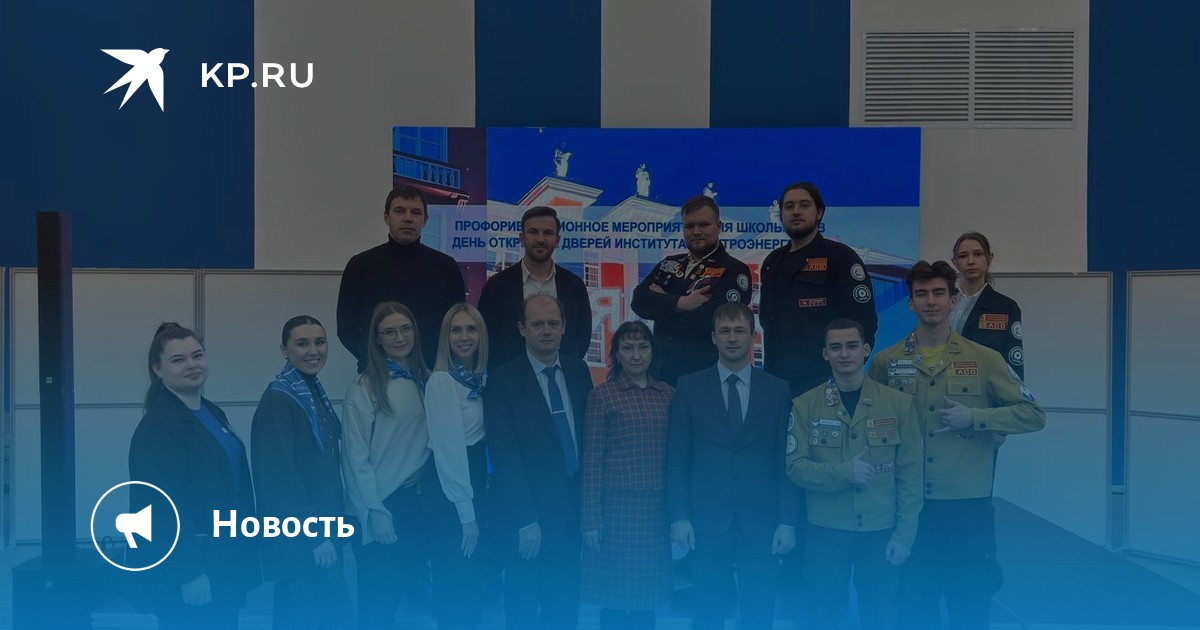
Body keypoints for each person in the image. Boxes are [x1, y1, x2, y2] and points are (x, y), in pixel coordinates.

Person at [869, 260, 1046, 630]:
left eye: (939, 293)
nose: (930, 301)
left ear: (953, 300)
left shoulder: (984, 359)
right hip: (911, 506)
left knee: (969, 606)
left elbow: (1033, 414)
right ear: (910, 303)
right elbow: (875, 428)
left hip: (967, 507)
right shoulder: (887, 362)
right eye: (921, 294)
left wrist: (978, 418)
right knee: (914, 607)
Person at [666, 303, 798, 630]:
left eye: (740, 331)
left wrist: (787, 521)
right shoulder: (688, 387)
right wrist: (680, 516)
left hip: (761, 521)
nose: (732, 338)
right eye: (724, 331)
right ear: (713, 337)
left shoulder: (778, 389)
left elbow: (785, 461)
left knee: (759, 612)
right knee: (707, 612)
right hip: (706, 521)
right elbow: (678, 457)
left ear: (753, 336)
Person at [786, 319, 923, 630]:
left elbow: (911, 475)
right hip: (826, 533)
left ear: (866, 349)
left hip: (879, 532)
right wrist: (843, 472)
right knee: (823, 617)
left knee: (880, 617)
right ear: (825, 354)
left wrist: (905, 535)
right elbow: (794, 467)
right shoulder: (805, 405)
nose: (844, 354)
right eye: (835, 347)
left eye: (851, 346)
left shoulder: (898, 405)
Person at [127, 323, 259, 630]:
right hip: (193, 572)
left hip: (223, 561)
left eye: (197, 355)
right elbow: (160, 506)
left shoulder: (211, 412)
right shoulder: (159, 426)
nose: (191, 364)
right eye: (178, 360)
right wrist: (188, 573)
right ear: (157, 369)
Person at [484, 294, 594, 630]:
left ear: (564, 327)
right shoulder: (502, 380)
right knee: (522, 611)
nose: (546, 330)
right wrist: (526, 519)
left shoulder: (579, 371)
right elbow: (504, 456)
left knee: (563, 611)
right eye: (537, 324)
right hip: (527, 523)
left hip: (572, 517)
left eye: (552, 323)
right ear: (522, 328)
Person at [250, 316, 354, 630]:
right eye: (302, 343)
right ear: (284, 349)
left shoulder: (311, 394)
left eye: (319, 342)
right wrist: (314, 536)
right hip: (305, 545)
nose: (313, 350)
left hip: (322, 539)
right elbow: (278, 478)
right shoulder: (280, 399)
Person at [341, 302, 433, 630]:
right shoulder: (364, 386)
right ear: (377, 339)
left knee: (395, 597)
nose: (399, 337)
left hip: (411, 504)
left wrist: (425, 464)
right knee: (376, 608)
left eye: (405, 329)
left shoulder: (427, 381)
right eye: (389, 332)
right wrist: (374, 512)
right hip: (376, 506)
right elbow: (354, 457)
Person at [580, 321, 674, 630]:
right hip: (616, 512)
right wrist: (590, 519)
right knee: (614, 602)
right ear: (617, 355)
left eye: (643, 347)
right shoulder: (602, 396)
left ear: (652, 352)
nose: (636, 355)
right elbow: (592, 461)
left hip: (656, 512)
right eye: (628, 348)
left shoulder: (668, 395)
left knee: (647, 601)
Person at [759, 181, 879, 397]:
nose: (796, 211)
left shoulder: (841, 257)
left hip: (824, 380)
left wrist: (847, 373)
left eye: (804, 205)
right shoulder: (772, 262)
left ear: (819, 212)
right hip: (776, 379)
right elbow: (767, 321)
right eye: (789, 206)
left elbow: (864, 321)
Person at [337, 185, 466, 371]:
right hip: (376, 373)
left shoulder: (446, 267)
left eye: (415, 212)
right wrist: (374, 359)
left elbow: (457, 323)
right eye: (399, 211)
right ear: (386, 217)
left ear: (425, 220)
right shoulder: (360, 265)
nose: (408, 218)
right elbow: (346, 328)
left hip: (431, 373)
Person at [631, 195, 752, 386]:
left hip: (703, 379)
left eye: (703, 225)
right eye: (689, 226)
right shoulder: (669, 263)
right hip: (658, 376)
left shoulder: (734, 270)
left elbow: (709, 322)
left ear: (719, 226)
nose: (696, 231)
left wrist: (662, 308)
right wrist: (681, 303)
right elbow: (638, 301)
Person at [424, 303, 490, 629]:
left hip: (473, 481)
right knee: (455, 582)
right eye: (456, 330)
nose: (464, 337)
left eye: (471, 329)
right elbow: (448, 453)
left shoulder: (478, 380)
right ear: (446, 338)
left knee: (471, 583)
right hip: (451, 491)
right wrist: (467, 515)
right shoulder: (441, 381)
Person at [477, 205, 593, 369]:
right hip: (510, 380)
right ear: (522, 238)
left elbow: (582, 337)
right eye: (533, 232)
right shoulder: (496, 286)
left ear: (557, 240)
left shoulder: (574, 286)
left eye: (548, 233)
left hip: (561, 378)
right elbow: (485, 337)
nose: (540, 239)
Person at [950, 231, 1024, 379]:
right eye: (963, 256)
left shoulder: (1005, 307)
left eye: (978, 254)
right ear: (954, 262)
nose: (971, 261)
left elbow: (1014, 363)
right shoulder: (941, 303)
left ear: (990, 258)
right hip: (943, 386)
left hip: (985, 388)